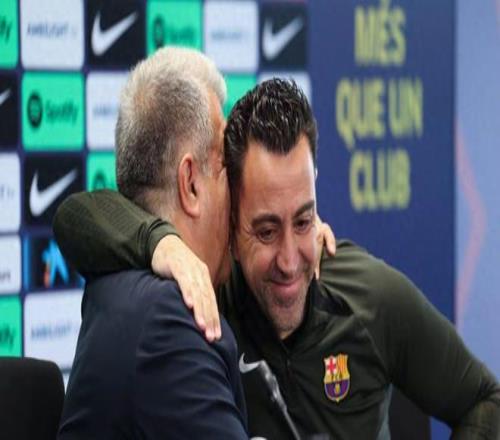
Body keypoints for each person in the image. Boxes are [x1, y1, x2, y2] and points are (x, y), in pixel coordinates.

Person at [54, 79, 500, 439]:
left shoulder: (368, 295)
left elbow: (486, 400)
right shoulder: (204, 301)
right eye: (266, 231)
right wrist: (162, 244)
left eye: (303, 221)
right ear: (232, 216)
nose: (289, 261)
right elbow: (79, 214)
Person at [56, 47, 249, 439]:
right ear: (190, 183)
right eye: (226, 166)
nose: (237, 188)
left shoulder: (120, 282)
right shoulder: (170, 319)